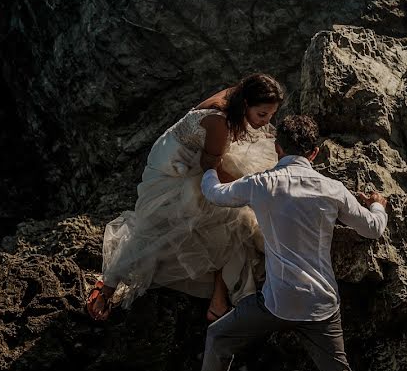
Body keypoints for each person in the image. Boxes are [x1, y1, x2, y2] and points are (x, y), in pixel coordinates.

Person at [156, 115, 388, 371]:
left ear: (278, 148)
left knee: (219, 337)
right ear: (315, 152)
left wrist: (212, 168)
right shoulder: (332, 189)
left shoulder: (264, 183)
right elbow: (372, 229)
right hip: (321, 306)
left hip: (276, 303)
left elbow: (215, 195)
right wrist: (377, 204)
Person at [85, 73, 283, 323]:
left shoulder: (240, 95)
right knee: (160, 228)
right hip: (177, 169)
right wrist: (250, 192)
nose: (265, 122)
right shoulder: (220, 121)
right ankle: (108, 286)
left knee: (238, 218)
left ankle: (219, 294)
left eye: (271, 115)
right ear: (245, 105)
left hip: (201, 155)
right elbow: (211, 167)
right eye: (262, 115)